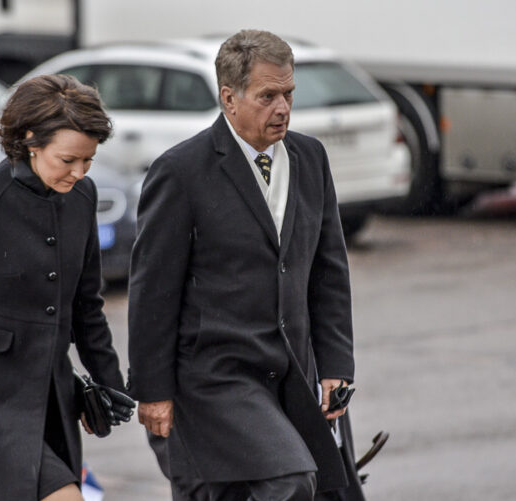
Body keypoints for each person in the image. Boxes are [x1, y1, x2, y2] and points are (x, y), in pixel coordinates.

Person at [128, 29, 363, 501]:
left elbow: (328, 271)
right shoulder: (181, 171)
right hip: (215, 375)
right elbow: (153, 290)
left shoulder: (311, 158)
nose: (283, 108)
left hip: (294, 369)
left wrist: (336, 363)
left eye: (289, 94)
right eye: (268, 96)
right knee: (289, 480)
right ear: (229, 98)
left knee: (320, 490)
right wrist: (152, 390)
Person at [0, 74, 132, 501]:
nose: (79, 172)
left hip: (52, 399)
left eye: (88, 160)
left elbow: (87, 307)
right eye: (68, 159)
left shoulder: (83, 197)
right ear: (30, 139)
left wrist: (111, 384)